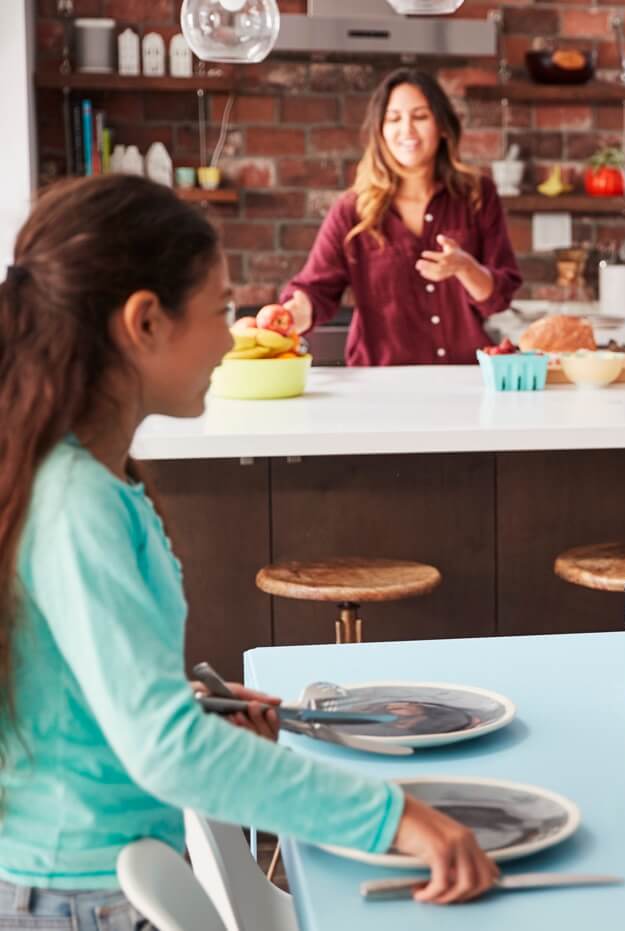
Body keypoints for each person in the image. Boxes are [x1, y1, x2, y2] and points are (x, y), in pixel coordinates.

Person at [0, 175, 497, 927]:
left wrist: (199, 706)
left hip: (95, 881)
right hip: (77, 897)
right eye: (218, 309)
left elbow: (86, 685)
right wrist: (393, 817)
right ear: (145, 323)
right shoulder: (77, 499)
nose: (233, 336)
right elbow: (163, 751)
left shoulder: (93, 477)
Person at [276, 68, 522, 365]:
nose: (406, 130)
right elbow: (314, 290)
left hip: (463, 379)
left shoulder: (478, 195)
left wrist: (465, 268)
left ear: (443, 126)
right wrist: (291, 313)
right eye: (393, 119)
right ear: (380, 131)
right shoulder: (352, 210)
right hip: (380, 386)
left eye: (420, 116)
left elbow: (498, 299)